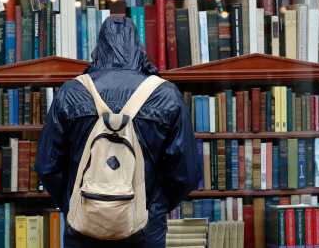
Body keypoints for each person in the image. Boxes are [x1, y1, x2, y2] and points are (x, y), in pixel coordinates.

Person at [35, 15, 198, 247]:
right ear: (138, 47)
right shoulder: (166, 95)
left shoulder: (71, 93)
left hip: (84, 229)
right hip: (144, 231)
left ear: (98, 48)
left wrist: (77, 202)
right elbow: (186, 174)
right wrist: (154, 207)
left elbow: (47, 166)